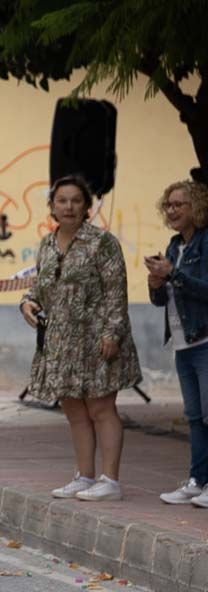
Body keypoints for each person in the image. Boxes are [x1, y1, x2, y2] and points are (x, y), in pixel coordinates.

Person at [19, 175, 141, 501]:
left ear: (87, 206)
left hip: (98, 339)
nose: (69, 206)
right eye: (62, 201)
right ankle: (84, 476)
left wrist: (112, 332)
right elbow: (40, 289)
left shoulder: (102, 242)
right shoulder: (46, 244)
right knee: (73, 410)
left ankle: (110, 480)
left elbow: (117, 292)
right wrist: (27, 303)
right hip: (60, 343)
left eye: (76, 200)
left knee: (101, 408)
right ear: (52, 206)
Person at [147, 181, 208, 507]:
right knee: (195, 417)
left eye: (179, 205)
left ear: (196, 207)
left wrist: (174, 274)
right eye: (168, 205)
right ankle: (197, 481)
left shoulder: (206, 241)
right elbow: (160, 301)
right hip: (182, 343)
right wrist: (155, 281)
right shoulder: (173, 246)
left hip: (205, 339)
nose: (171, 211)